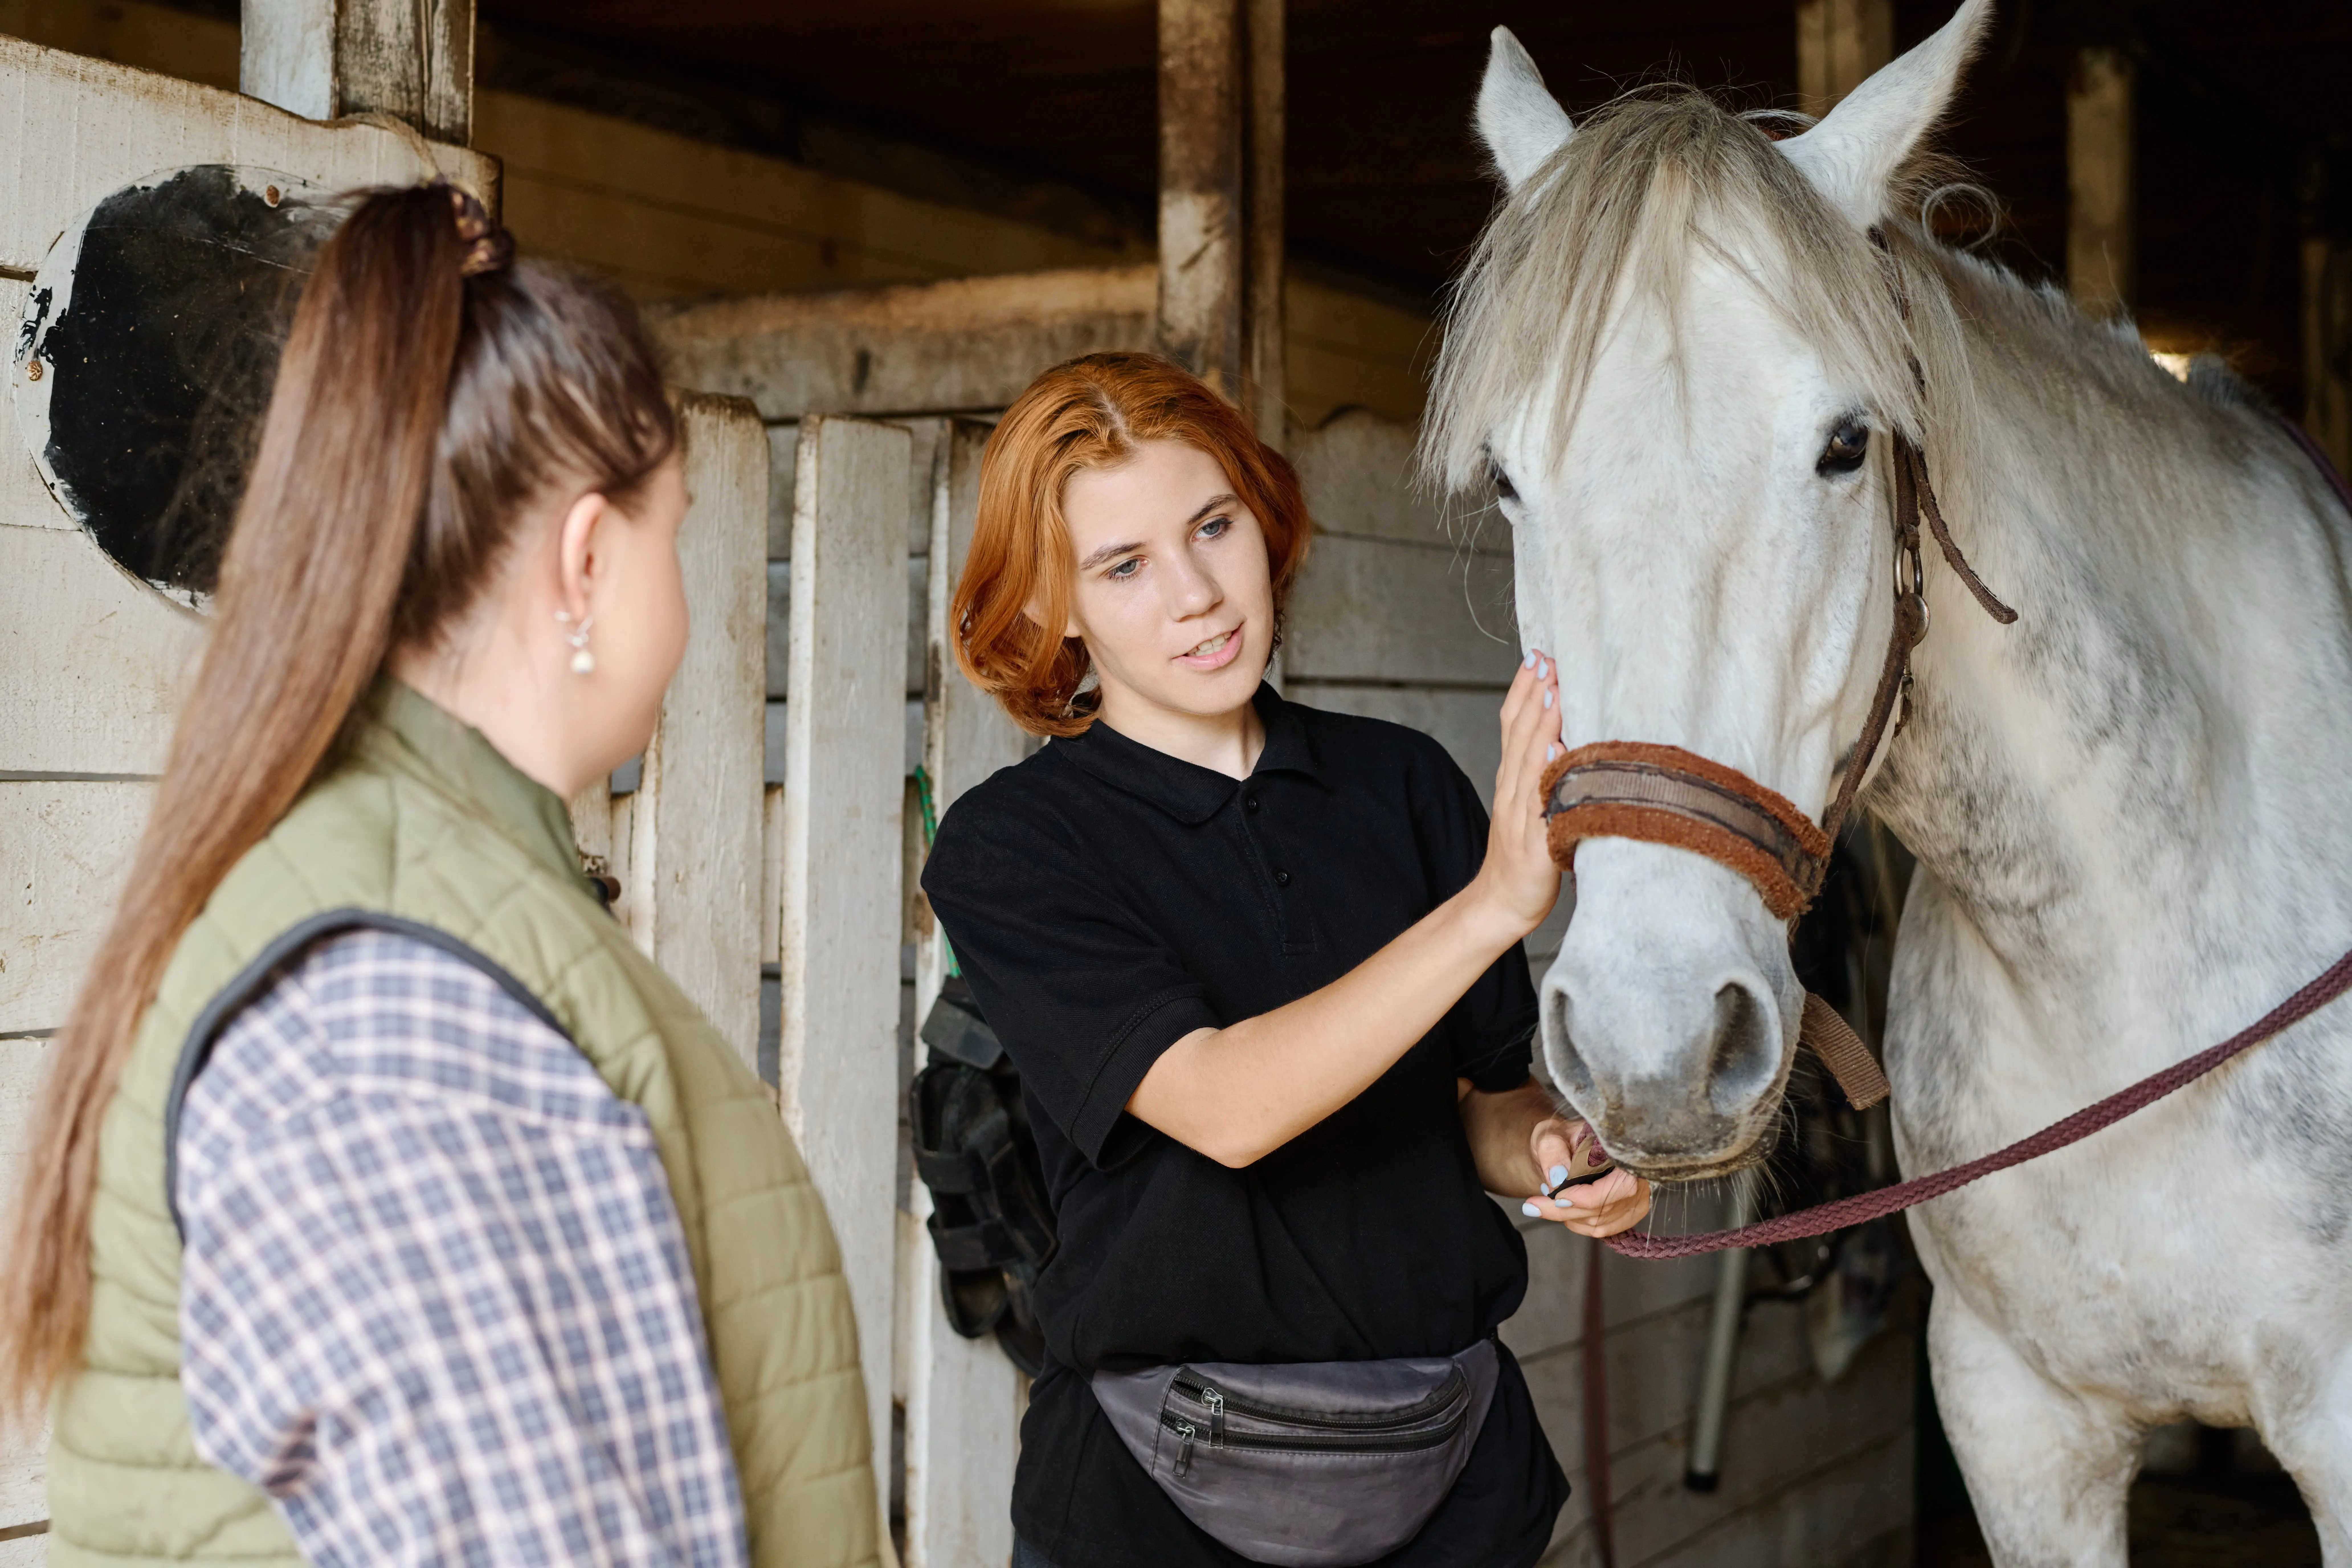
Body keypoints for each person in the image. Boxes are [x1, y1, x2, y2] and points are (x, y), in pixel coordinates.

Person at [0, 185, 879, 1568]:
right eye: (675, 530)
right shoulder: (394, 1011)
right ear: (588, 559)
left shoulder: (424, 899)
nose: (686, 602)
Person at [921, 352, 1653, 1568]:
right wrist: (1491, 904)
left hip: (1455, 1477)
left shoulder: (1402, 780)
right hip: (1150, 1505)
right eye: (1125, 566)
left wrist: (1557, 1151)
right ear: (1055, 608)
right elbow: (1226, 1104)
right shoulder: (1016, 846)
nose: (1199, 593)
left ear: (1263, 519)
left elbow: (1475, 1100)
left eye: (1215, 525)